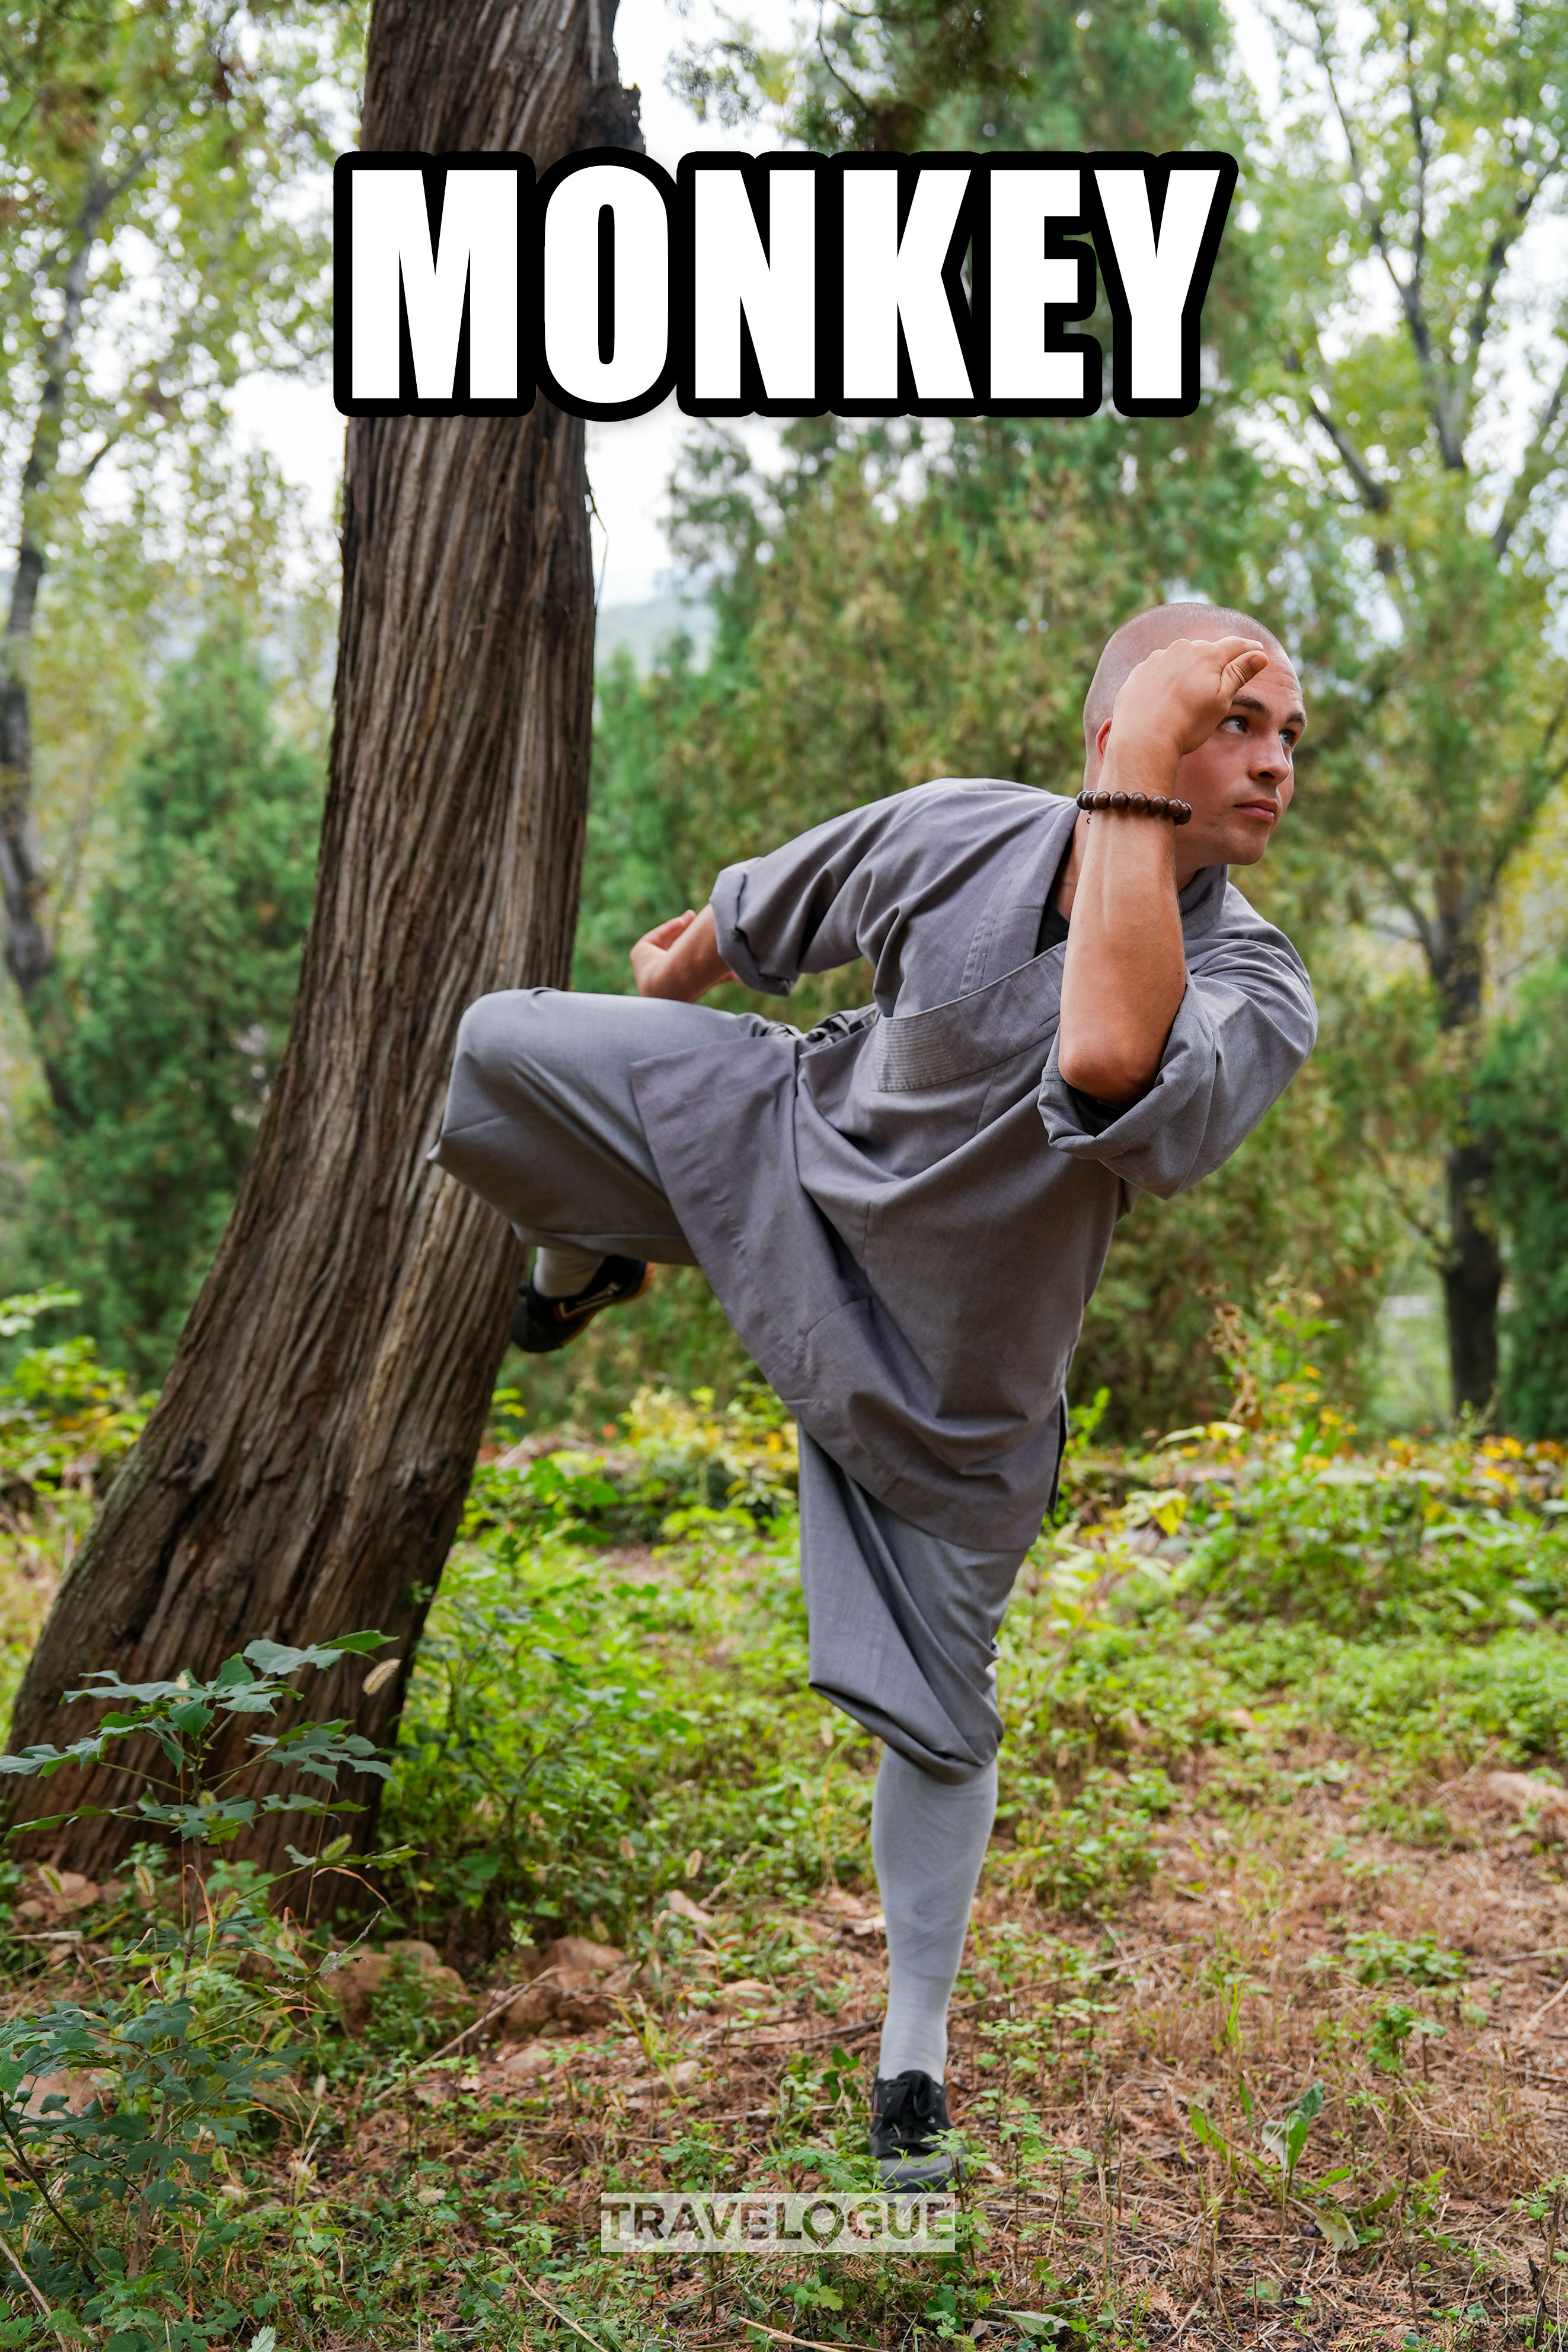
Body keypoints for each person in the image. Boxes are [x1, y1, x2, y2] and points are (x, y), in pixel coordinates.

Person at [429, 604, 1316, 2188]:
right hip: (789, 1152)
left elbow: (1107, 1057)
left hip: (952, 1385)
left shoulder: (1256, 980)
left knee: (941, 1726)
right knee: (505, 1051)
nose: (1273, 764)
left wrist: (1139, 765)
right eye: (1234, 721)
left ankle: (913, 2052)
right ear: (1119, 730)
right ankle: (587, 1256)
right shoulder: (957, 827)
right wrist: (675, 983)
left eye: (1288, 737)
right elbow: (729, 932)